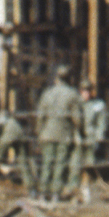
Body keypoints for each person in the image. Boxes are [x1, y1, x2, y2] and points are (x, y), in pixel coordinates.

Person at [32, 72, 81, 201]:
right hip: (63, 134)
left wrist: (39, 133)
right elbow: (77, 119)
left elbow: (40, 116)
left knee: (47, 163)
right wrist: (78, 129)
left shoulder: (47, 94)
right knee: (60, 163)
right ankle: (55, 193)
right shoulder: (72, 94)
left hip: (47, 133)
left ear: (57, 79)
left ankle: (42, 192)